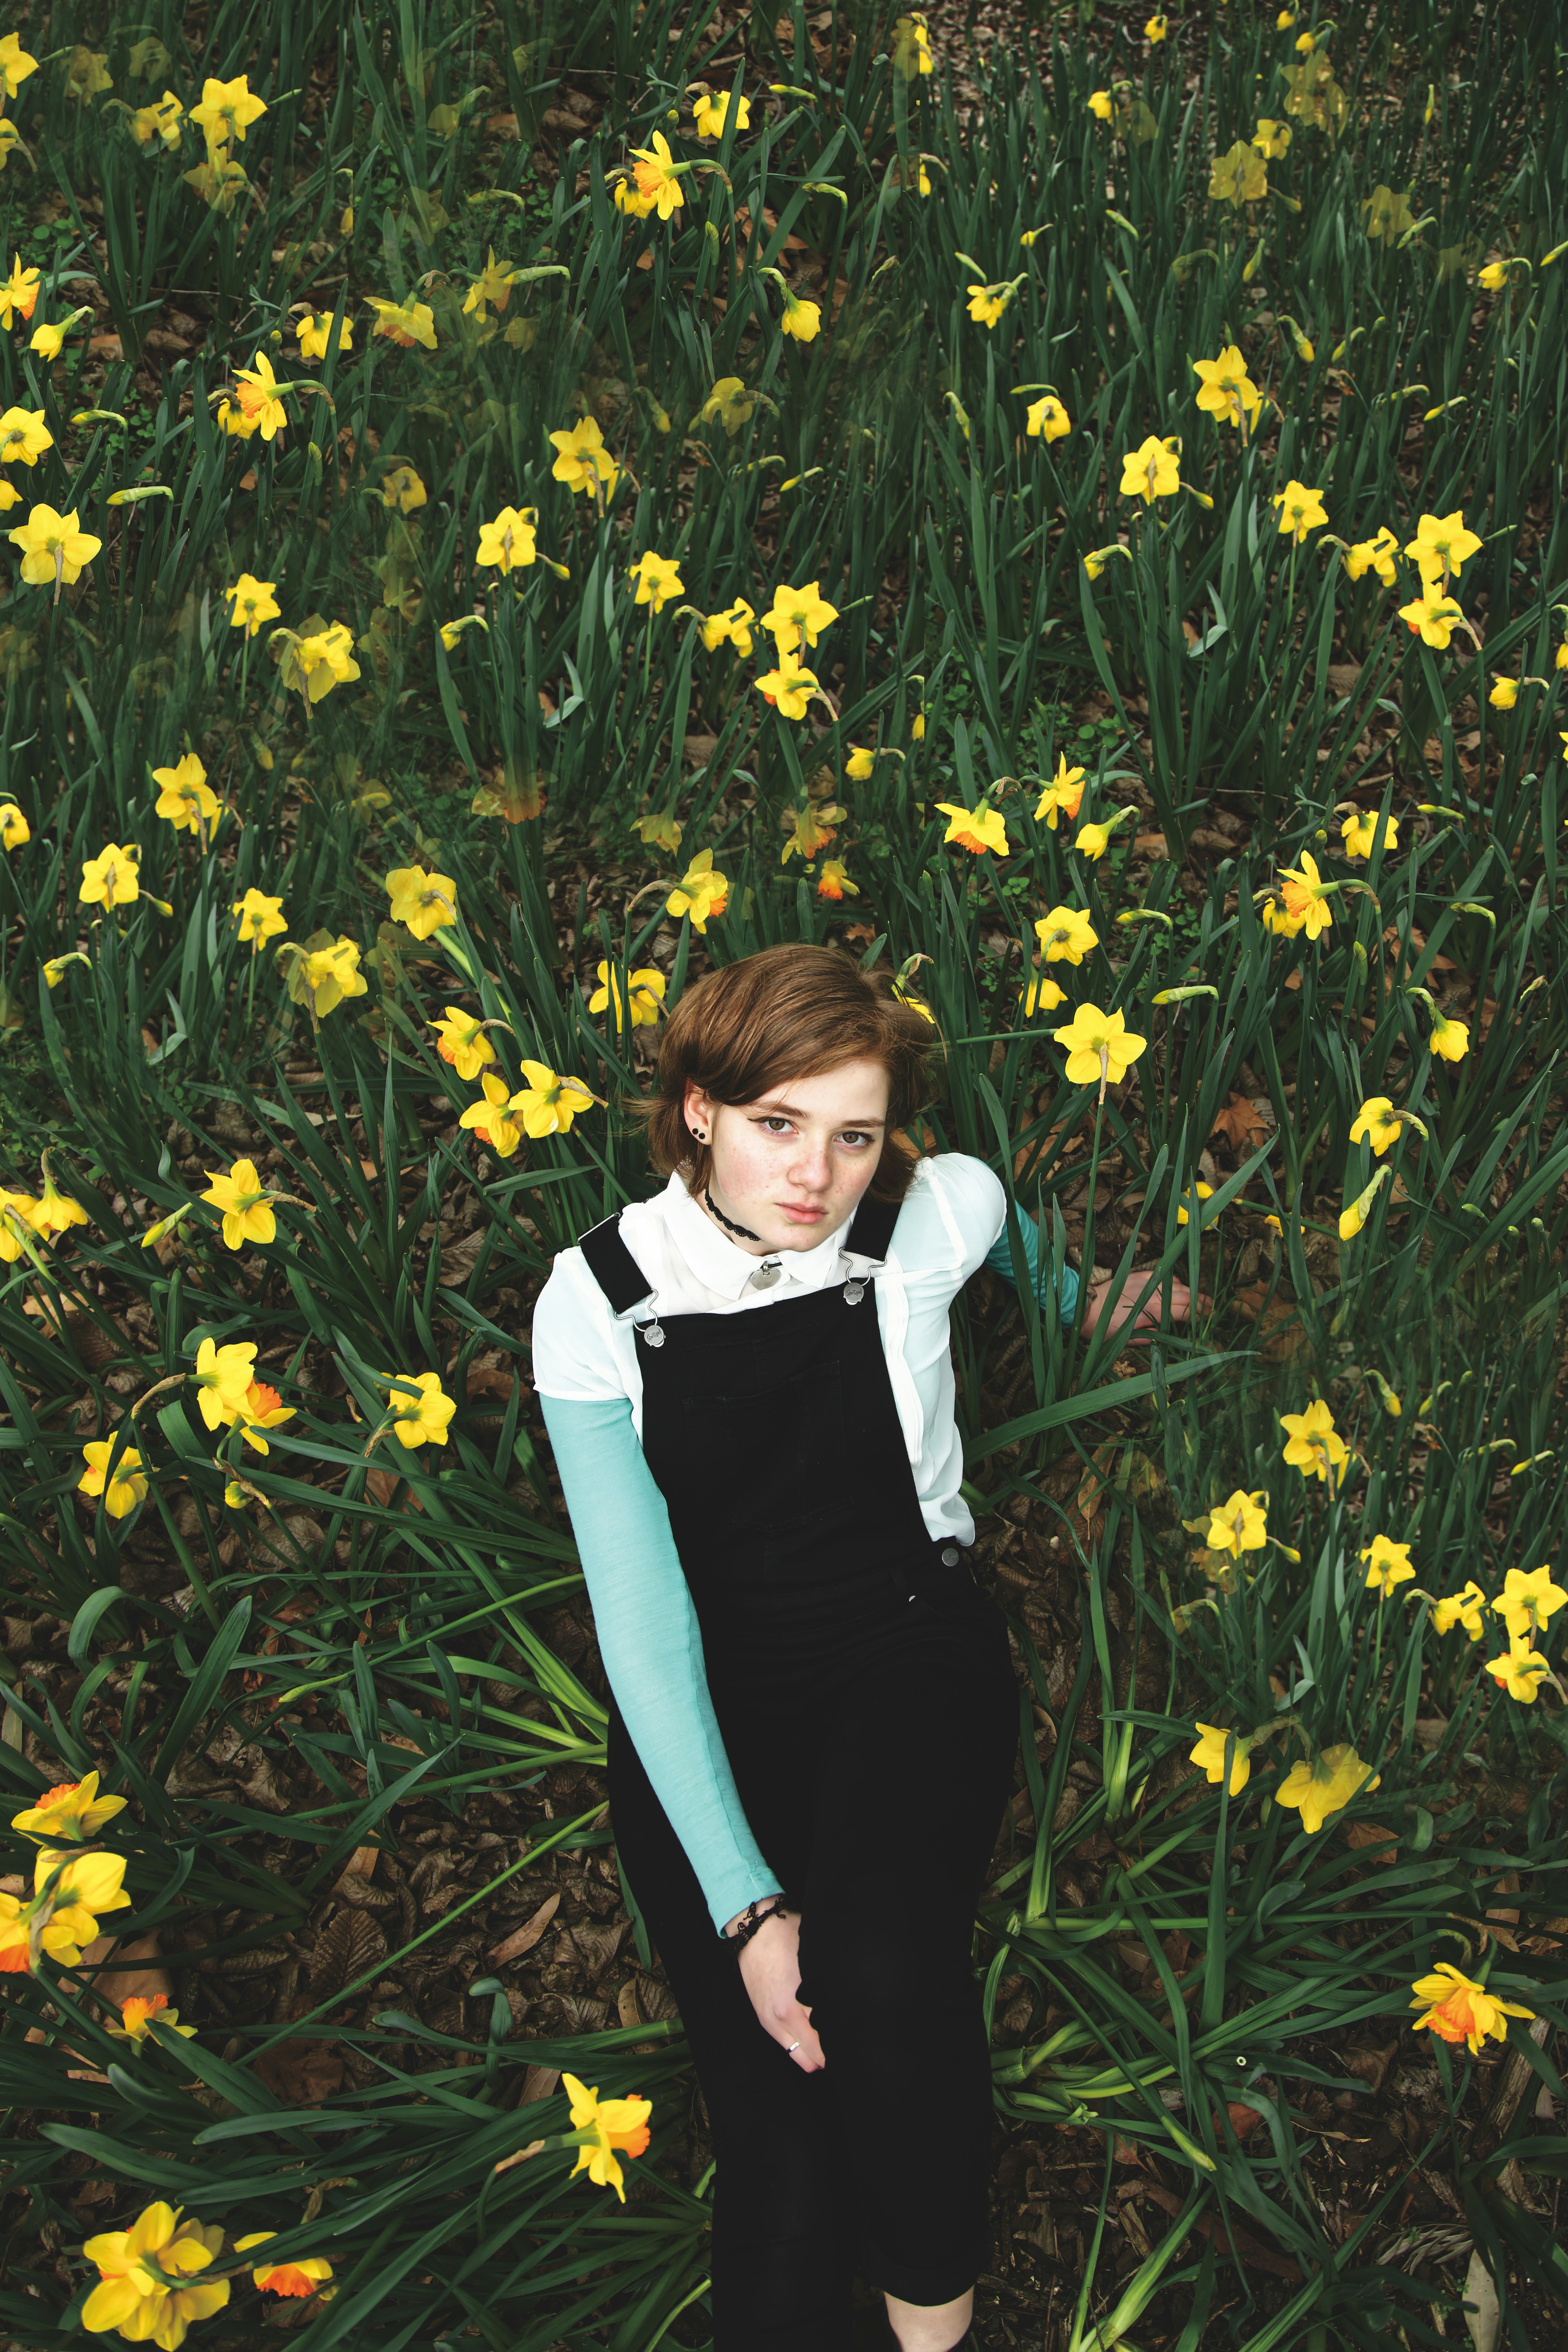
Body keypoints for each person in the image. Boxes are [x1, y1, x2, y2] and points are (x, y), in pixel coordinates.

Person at [530, 945, 1194, 2352]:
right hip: (707, 1685)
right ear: (700, 1109)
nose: (816, 1175)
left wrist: (1079, 1294)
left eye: (855, 1134)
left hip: (905, 1642)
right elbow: (642, 1619)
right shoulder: (601, 1299)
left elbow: (998, 1220)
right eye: (778, 1123)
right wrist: (747, 1912)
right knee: (775, 2131)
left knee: (883, 1978)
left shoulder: (925, 1217)